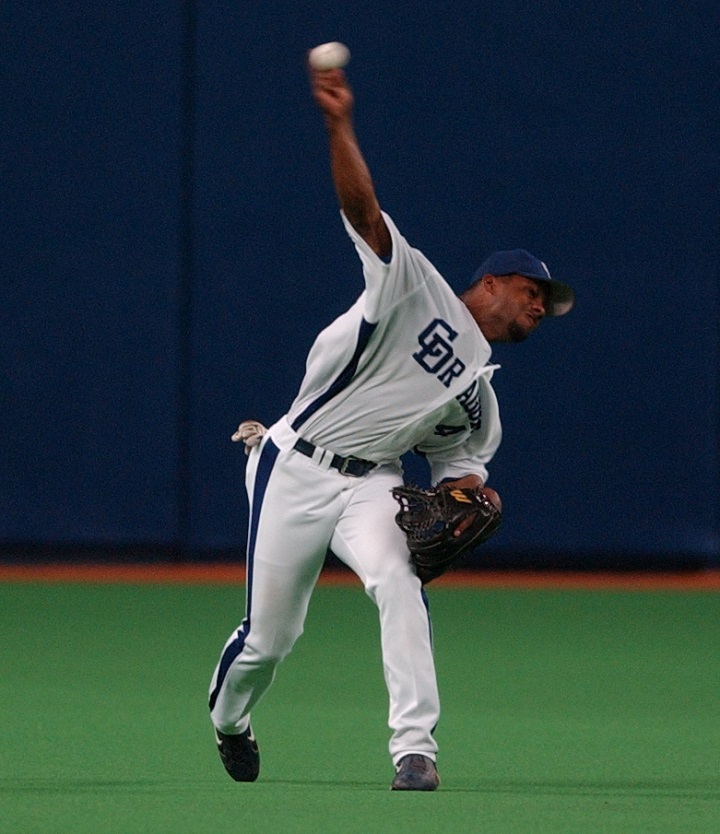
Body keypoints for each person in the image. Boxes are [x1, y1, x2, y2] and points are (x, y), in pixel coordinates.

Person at [208, 58, 575, 792]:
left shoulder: (477, 396)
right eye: (533, 292)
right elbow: (363, 211)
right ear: (492, 283)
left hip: (372, 481)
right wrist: (340, 124)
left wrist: (474, 497)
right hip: (296, 463)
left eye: (548, 303)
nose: (540, 307)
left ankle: (416, 750)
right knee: (270, 640)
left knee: (399, 581)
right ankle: (229, 719)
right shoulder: (415, 284)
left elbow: (460, 469)